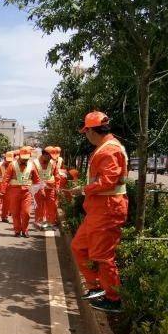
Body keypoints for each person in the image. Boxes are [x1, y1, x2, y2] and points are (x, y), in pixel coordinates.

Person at [68, 111, 128, 313]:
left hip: (107, 209)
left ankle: (113, 299)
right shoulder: (105, 147)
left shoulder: (109, 150)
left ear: (93, 131)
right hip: (98, 210)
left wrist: (83, 189)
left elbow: (107, 182)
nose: (86, 136)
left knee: (103, 256)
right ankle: (96, 287)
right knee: (79, 247)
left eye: (86, 132)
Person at [1, 146, 40, 237]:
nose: (25, 160)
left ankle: (25, 230)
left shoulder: (31, 165)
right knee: (15, 212)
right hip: (14, 192)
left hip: (27, 192)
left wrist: (39, 189)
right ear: (19, 156)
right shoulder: (12, 165)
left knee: (26, 213)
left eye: (27, 158)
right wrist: (2, 191)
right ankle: (17, 230)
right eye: (23, 158)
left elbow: (37, 180)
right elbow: (6, 179)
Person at [33, 147, 60, 229]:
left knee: (52, 205)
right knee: (39, 206)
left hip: (50, 188)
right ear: (44, 154)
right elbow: (32, 176)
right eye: (49, 157)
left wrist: (57, 188)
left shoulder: (53, 163)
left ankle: (50, 224)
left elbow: (57, 175)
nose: (51, 159)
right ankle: (39, 223)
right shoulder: (35, 163)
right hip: (39, 188)